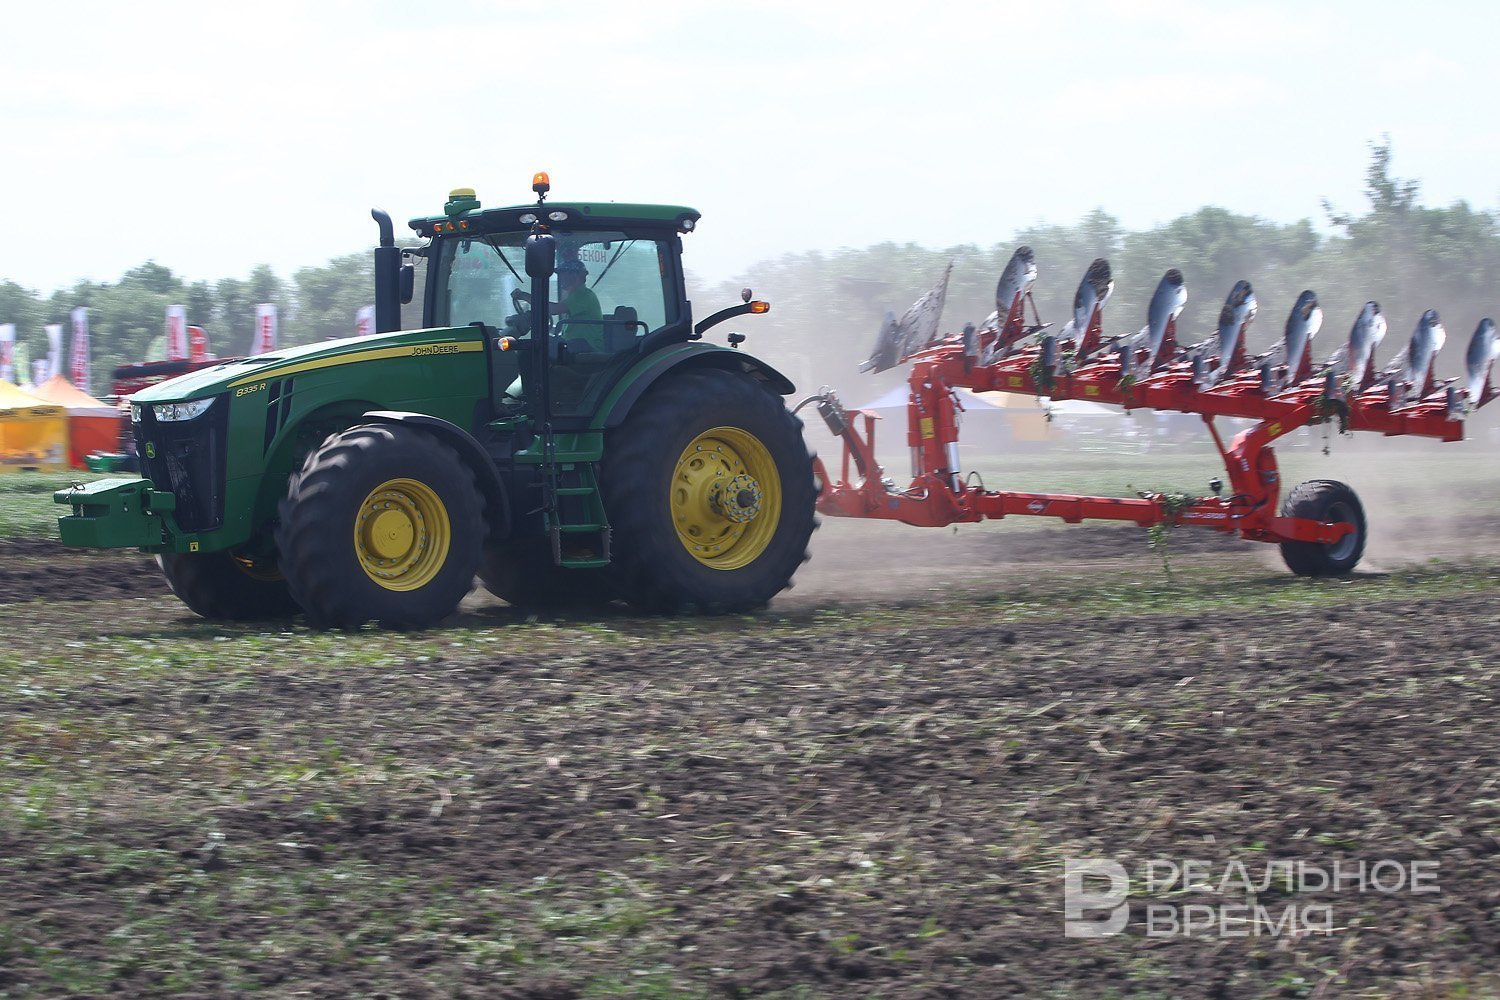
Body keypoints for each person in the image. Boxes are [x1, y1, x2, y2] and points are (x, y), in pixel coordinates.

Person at [514, 258, 604, 349]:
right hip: (573, 346)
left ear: (574, 275)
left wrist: (523, 296)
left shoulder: (584, 296)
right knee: (533, 346)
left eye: (563, 274)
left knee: (533, 348)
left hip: (586, 349)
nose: (560, 278)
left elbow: (553, 309)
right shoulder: (574, 296)